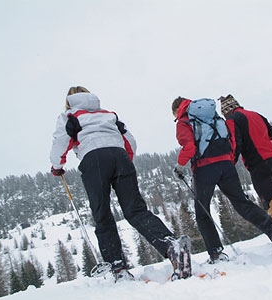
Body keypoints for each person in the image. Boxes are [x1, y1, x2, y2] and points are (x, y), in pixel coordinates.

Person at [50, 86, 191, 281]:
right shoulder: (108, 114)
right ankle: (171, 246)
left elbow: (60, 142)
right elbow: (130, 141)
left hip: (93, 159)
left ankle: (118, 268)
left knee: (103, 215)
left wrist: (57, 165)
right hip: (120, 156)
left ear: (69, 100)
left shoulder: (69, 115)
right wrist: (126, 162)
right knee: (136, 210)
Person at [171, 97, 272, 263]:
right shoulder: (213, 115)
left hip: (205, 169)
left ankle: (217, 254)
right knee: (243, 204)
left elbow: (189, 147)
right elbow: (230, 138)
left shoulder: (184, 122)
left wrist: (179, 167)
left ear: (176, 110)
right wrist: (227, 160)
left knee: (202, 212)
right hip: (226, 165)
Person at [218, 94, 272, 210]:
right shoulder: (256, 115)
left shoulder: (232, 120)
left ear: (227, 112)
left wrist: (229, 164)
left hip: (258, 164)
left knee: (270, 205)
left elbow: (236, 144)